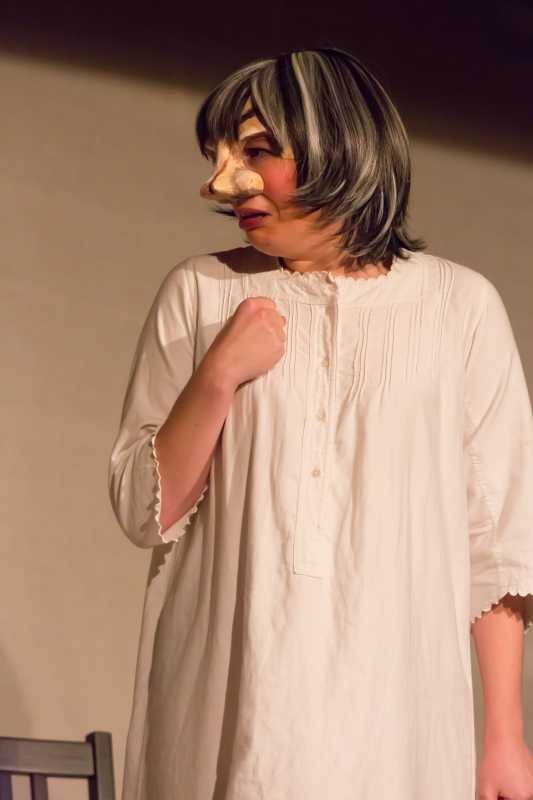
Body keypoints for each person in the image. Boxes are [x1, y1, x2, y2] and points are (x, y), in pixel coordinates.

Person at [108, 46, 533, 799]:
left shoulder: (459, 306)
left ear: (340, 144)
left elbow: (497, 540)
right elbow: (144, 511)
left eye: (256, 151)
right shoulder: (200, 292)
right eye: (219, 156)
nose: (221, 182)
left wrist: (503, 737)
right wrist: (217, 374)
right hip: (234, 701)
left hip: (398, 714)